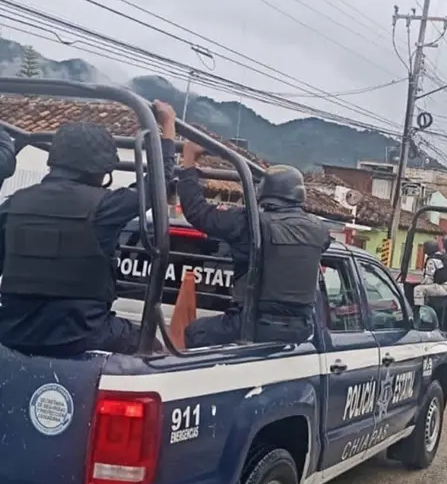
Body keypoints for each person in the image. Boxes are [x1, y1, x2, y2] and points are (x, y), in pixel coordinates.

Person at [0, 103, 178, 356]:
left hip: (12, 332)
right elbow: (156, 186)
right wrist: (168, 128)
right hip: (84, 333)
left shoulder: (13, 204)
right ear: (102, 170)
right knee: (156, 350)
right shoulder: (106, 206)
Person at [178, 141, 331, 348]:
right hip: (301, 330)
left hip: (253, 325)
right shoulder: (319, 230)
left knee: (195, 332)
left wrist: (188, 166)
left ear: (264, 194)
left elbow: (198, 213)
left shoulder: (250, 224)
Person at [413, 237, 447, 306]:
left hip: (446, 287)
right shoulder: (445, 256)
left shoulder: (432, 260)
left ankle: (419, 312)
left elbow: (428, 280)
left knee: (418, 289)